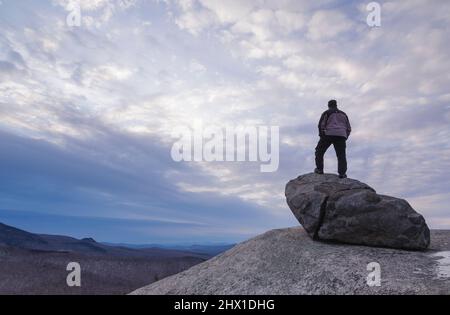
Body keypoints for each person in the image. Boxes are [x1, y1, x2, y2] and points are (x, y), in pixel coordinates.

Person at [314, 100, 351, 178]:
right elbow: (348, 128)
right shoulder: (343, 114)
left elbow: (321, 125)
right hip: (341, 135)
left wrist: (322, 135)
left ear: (329, 105)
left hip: (329, 134)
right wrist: (345, 136)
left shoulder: (327, 113)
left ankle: (319, 169)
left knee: (319, 151)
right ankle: (342, 174)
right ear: (336, 105)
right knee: (341, 155)